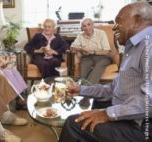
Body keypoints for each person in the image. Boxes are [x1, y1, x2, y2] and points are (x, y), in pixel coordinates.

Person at [59, 2, 152, 142]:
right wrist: (81, 89)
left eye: (118, 22)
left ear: (137, 21)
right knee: (95, 104)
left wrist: (107, 114)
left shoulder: (149, 47)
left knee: (73, 124)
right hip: (127, 109)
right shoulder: (133, 48)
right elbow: (112, 89)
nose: (114, 27)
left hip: (141, 126)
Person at [70, 18, 111, 108]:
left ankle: (85, 91)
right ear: (82, 28)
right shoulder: (80, 35)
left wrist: (93, 52)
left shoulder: (101, 33)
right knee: (84, 63)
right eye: (84, 26)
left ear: (92, 25)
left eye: (89, 25)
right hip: (88, 57)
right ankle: (83, 89)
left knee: (99, 66)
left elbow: (106, 51)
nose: (87, 27)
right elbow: (72, 46)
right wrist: (82, 49)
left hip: (102, 56)